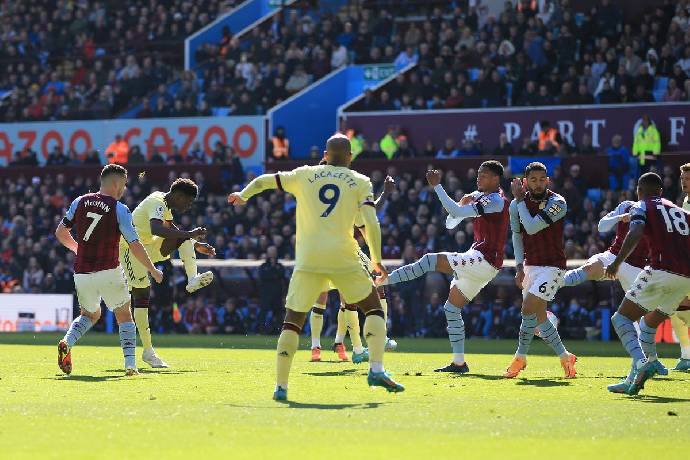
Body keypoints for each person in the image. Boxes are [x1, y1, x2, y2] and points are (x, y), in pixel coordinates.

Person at [228, 133, 404, 401]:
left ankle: (281, 387)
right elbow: (371, 222)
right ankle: (376, 368)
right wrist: (377, 258)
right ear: (350, 157)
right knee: (373, 308)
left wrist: (243, 195)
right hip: (343, 257)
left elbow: (265, 181)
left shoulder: (304, 174)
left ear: (324, 155)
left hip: (308, 259)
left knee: (292, 322)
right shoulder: (360, 181)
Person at [379, 161, 510, 374]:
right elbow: (451, 222)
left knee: (430, 260)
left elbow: (453, 210)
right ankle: (459, 363)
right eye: (479, 174)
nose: (479, 178)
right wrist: (463, 205)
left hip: (484, 259)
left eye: (484, 175)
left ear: (496, 179)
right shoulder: (480, 196)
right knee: (451, 309)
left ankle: (384, 280)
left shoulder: (496, 201)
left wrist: (438, 187)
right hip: (480, 262)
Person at [55, 164, 163, 376]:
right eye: (123, 184)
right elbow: (134, 244)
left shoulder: (79, 201)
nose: (124, 189)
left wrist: (79, 249)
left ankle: (67, 341)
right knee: (124, 314)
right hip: (110, 270)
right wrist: (152, 268)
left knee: (90, 314)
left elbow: (60, 232)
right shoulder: (119, 208)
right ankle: (131, 365)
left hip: (82, 272)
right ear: (116, 183)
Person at [604, 172, 690, 395]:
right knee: (647, 326)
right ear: (661, 191)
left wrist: (617, 262)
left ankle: (644, 362)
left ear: (639, 191)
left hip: (660, 269)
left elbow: (635, 231)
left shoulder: (641, 205)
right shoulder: (681, 211)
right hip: (685, 279)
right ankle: (633, 381)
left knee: (621, 319)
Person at [119, 179, 216, 368]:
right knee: (142, 296)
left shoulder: (165, 206)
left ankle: (192, 279)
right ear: (178, 196)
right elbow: (156, 229)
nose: (188, 207)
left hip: (147, 246)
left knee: (183, 238)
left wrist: (195, 244)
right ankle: (148, 351)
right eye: (187, 202)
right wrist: (190, 234)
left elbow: (174, 232)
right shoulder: (157, 203)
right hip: (129, 249)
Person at [310, 175, 398, 364]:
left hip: (346, 250)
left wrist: (384, 194)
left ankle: (347, 343)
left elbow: (367, 213)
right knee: (333, 299)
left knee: (373, 288)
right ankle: (340, 347)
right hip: (333, 252)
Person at [505, 162, 577, 379]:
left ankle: (520, 357)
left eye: (541, 179)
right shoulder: (515, 206)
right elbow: (518, 236)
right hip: (530, 266)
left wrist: (518, 201)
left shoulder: (558, 202)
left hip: (552, 267)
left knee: (527, 309)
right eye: (533, 180)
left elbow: (532, 226)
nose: (538, 184)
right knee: (539, 318)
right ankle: (566, 358)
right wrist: (519, 266)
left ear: (548, 180)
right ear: (525, 182)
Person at [669, 163, 690, 371]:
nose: (684, 181)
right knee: (677, 307)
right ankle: (686, 356)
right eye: (682, 178)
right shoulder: (685, 201)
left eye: (688, 178)